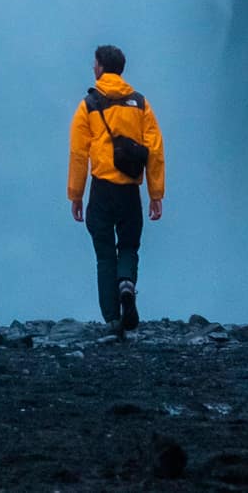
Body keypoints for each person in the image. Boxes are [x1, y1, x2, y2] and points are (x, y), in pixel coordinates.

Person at [67, 43, 165, 332]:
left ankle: (112, 318)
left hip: (101, 189)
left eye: (94, 64)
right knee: (129, 245)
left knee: (104, 253)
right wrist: (155, 193)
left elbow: (78, 153)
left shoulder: (89, 105)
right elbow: (155, 149)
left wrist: (76, 194)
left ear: (100, 67)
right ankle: (127, 283)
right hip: (130, 191)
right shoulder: (140, 104)